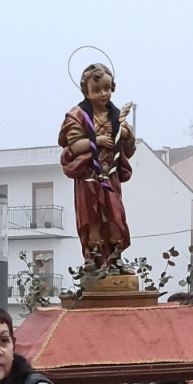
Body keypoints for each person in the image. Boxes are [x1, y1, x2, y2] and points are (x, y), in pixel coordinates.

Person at [59, 63, 135, 268]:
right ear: (86, 91)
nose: (103, 94)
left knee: (114, 217)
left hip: (110, 176)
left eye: (107, 88)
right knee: (91, 219)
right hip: (88, 177)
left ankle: (116, 259)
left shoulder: (116, 116)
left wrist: (126, 134)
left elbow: (128, 148)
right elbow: (74, 146)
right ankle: (93, 260)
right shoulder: (77, 116)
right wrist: (98, 140)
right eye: (97, 90)